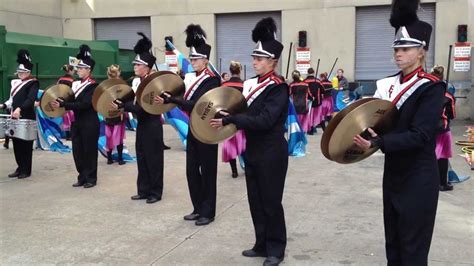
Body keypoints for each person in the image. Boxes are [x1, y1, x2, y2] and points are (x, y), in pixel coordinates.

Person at [353, 0, 445, 264]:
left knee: (413, 247)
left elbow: (421, 135)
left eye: (405, 48)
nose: (398, 53)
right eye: (396, 48)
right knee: (393, 242)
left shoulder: (432, 88)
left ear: (421, 52)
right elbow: (378, 123)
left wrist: (380, 142)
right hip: (393, 174)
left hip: (418, 177)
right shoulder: (387, 84)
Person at [210, 17, 288, 266]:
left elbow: (264, 121)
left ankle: (276, 248)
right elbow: (243, 113)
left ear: (272, 62)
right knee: (255, 199)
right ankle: (261, 243)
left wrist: (231, 120)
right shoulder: (251, 84)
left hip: (272, 151)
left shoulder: (278, 87)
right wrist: (226, 115)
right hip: (252, 149)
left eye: (260, 59)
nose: (254, 62)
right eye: (254, 58)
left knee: (271, 201)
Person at [156, 24, 220, 226]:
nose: (192, 62)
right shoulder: (190, 77)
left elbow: (199, 105)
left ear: (206, 60)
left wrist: (174, 100)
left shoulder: (213, 80)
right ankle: (197, 207)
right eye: (191, 58)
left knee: (208, 171)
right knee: (191, 170)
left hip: (208, 130)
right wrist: (167, 97)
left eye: (196, 59)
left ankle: (208, 212)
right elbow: (180, 95)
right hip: (193, 128)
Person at [112, 32, 164, 204]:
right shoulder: (137, 81)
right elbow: (130, 98)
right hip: (142, 125)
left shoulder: (153, 83)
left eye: (138, 64)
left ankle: (155, 192)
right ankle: (143, 190)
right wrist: (119, 101)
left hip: (152, 123)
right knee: (142, 157)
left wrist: (123, 106)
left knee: (153, 159)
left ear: (147, 67)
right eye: (135, 63)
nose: (134, 66)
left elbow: (143, 109)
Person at [51, 45, 99, 188]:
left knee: (89, 151)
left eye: (81, 68)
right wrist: (60, 102)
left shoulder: (94, 86)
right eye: (78, 68)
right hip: (77, 122)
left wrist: (65, 105)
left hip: (90, 122)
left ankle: (91, 178)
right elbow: (70, 100)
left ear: (88, 70)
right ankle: (82, 176)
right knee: (77, 151)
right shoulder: (75, 84)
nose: (78, 70)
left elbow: (85, 104)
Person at [0, 49, 39, 179]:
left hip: (26, 115)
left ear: (28, 72)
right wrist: (4, 105)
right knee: (16, 143)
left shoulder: (33, 82)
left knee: (26, 144)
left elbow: (30, 99)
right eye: (19, 72)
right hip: (14, 117)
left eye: (23, 72)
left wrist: (20, 109)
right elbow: (12, 100)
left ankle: (26, 170)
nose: (20, 74)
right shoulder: (14, 83)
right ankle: (19, 167)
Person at [431, 65, 456, 191]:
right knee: (442, 156)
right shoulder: (448, 95)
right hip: (442, 129)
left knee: (428, 154)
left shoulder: (424, 91)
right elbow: (452, 114)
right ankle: (442, 183)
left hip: (426, 128)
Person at [221, 61, 245, 178]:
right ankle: (246, 166)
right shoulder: (245, 84)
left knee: (230, 145)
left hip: (227, 118)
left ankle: (234, 171)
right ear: (240, 71)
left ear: (230, 71)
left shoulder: (224, 85)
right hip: (241, 118)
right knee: (244, 144)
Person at [104, 64, 126, 165]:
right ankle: (120, 159)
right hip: (118, 113)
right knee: (119, 137)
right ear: (118, 73)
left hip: (107, 113)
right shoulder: (122, 85)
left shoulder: (104, 86)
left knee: (109, 137)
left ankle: (109, 159)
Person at [304, 67, 324, 134]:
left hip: (308, 101)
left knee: (310, 116)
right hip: (317, 101)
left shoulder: (304, 81)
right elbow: (323, 90)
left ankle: (311, 130)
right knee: (319, 116)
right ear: (314, 72)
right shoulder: (318, 81)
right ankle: (324, 129)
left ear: (307, 73)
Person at [58, 64, 75, 140]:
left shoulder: (60, 79)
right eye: (73, 70)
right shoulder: (72, 80)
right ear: (70, 70)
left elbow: (56, 88)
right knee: (72, 118)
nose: (74, 72)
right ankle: (72, 135)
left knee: (65, 118)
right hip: (70, 101)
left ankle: (67, 136)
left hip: (61, 101)